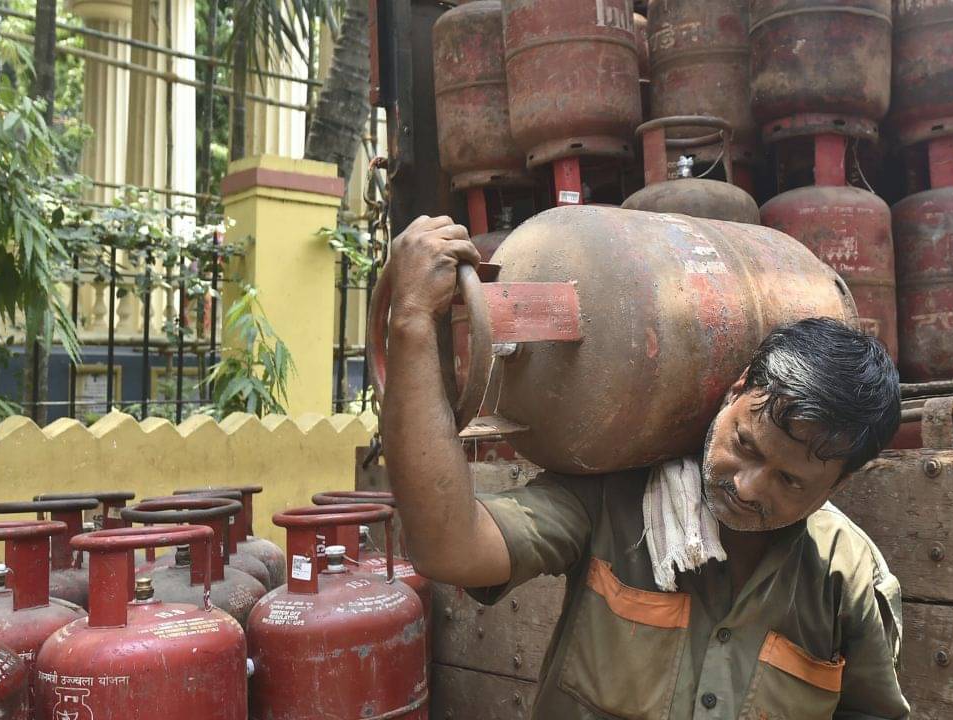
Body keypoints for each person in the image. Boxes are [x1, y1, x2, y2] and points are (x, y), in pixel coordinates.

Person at [381, 215, 909, 719]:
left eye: (790, 480)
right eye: (745, 445)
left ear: (837, 485)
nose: (747, 487)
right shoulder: (611, 504)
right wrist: (410, 323)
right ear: (734, 390)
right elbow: (447, 547)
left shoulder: (847, 578)